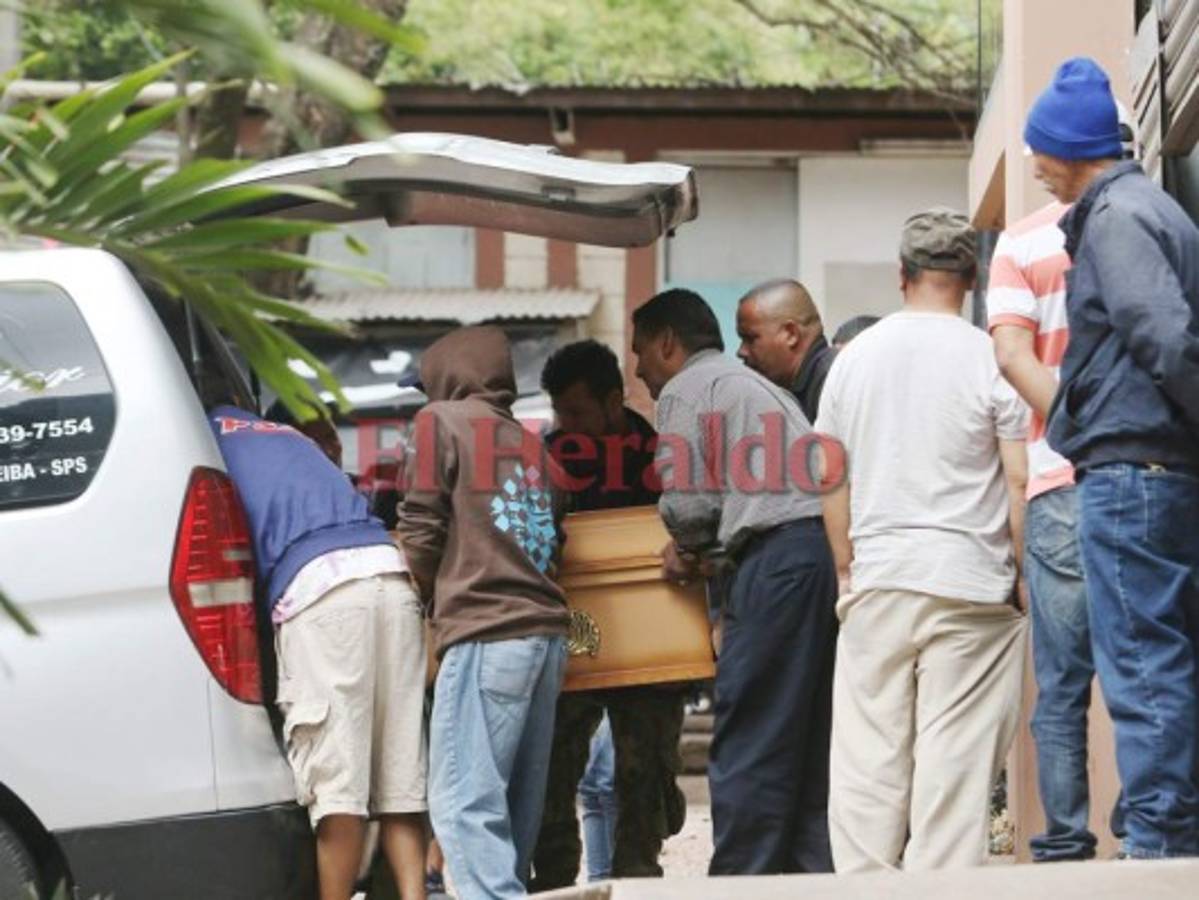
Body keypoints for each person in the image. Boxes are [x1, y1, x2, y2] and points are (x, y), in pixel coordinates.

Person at [815, 208, 1029, 872]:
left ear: (900, 274)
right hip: (971, 581)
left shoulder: (854, 359)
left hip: (879, 576)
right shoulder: (991, 357)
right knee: (954, 763)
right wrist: (1023, 574)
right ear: (973, 278)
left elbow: (828, 473)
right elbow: (1018, 478)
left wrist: (846, 566)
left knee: (867, 761)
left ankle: (863, 887)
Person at [1028, 57, 1199, 859]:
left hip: (1132, 470)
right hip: (1156, 467)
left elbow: (1161, 334)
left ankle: (1160, 843)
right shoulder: (1146, 208)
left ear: (1069, 149)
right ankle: (1168, 833)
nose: (1033, 163)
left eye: (1039, 148)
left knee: (1139, 658)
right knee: (1161, 652)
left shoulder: (1117, 216)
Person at [631, 289, 838, 875]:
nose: (638, 369)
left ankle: (740, 881)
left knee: (750, 733)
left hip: (775, 563)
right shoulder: (759, 387)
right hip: (817, 557)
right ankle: (807, 879)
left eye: (639, 352)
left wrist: (687, 550)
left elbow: (689, 505)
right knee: (804, 739)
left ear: (666, 343)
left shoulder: (688, 388)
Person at [209, 403, 428, 900]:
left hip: (323, 592)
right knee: (400, 779)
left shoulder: (197, 445)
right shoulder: (271, 433)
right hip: (389, 573)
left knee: (337, 788)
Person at [398, 325, 571, 899]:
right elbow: (553, 542)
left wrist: (419, 595)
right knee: (514, 816)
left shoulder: (439, 423)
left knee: (464, 808)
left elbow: (420, 533)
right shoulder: (535, 448)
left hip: (486, 631)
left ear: (448, 376)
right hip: (545, 641)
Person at [529, 339, 686, 890]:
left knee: (644, 774)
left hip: (652, 639)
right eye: (559, 413)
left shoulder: (661, 458)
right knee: (551, 767)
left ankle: (636, 879)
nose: (565, 425)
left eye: (577, 412)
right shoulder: (547, 460)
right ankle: (554, 883)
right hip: (576, 633)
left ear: (614, 401)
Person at [734, 278, 835, 422]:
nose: (741, 351)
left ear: (791, 334)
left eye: (751, 338)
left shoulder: (831, 383)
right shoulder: (794, 387)